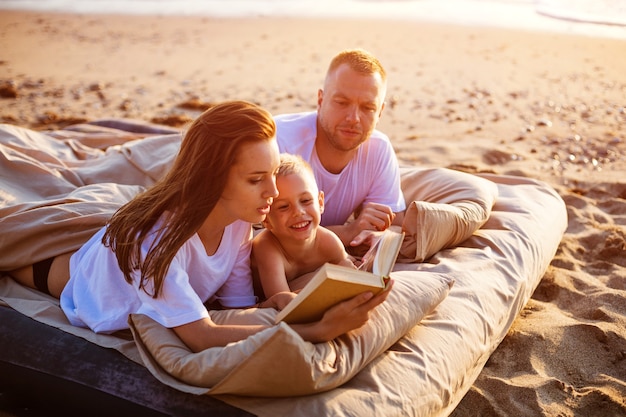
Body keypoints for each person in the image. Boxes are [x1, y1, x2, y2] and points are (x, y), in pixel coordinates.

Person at [7, 101, 392, 352]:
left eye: (273, 174)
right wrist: (316, 332)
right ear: (213, 179)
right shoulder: (158, 244)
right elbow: (203, 335)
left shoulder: (242, 223)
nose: (273, 192)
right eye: (256, 179)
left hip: (124, 251)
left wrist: (275, 302)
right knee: (15, 255)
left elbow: (237, 305)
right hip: (70, 275)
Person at [274, 48, 406, 252]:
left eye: (367, 108)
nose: (353, 118)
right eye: (342, 103)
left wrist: (372, 232)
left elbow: (392, 225)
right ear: (320, 100)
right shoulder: (279, 142)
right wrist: (348, 232)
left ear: (380, 112)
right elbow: (258, 239)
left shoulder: (378, 149)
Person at [252, 153, 355, 299]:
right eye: (283, 207)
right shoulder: (267, 248)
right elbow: (282, 300)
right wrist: (334, 278)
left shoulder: (328, 241)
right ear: (266, 220)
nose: (298, 212)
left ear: (320, 203)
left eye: (306, 200)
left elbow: (350, 264)